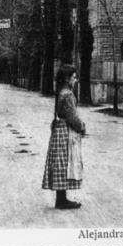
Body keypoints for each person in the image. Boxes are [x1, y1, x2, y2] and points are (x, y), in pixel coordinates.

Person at [42, 64, 86, 209]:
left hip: (59, 130)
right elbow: (72, 117)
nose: (76, 80)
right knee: (64, 163)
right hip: (65, 132)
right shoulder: (68, 94)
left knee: (60, 163)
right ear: (68, 79)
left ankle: (61, 199)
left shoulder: (61, 92)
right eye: (74, 77)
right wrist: (82, 127)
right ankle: (61, 200)